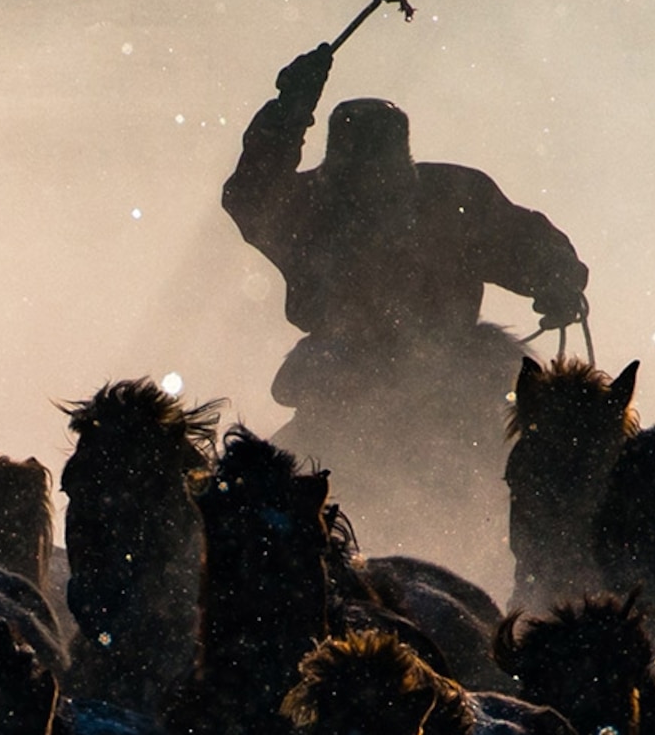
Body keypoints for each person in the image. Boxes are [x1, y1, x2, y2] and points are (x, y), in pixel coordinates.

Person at [221, 41, 589, 553]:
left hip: (444, 385)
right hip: (348, 388)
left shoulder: (321, 206)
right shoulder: (451, 198)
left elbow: (530, 246)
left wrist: (558, 278)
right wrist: (289, 109)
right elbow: (526, 243)